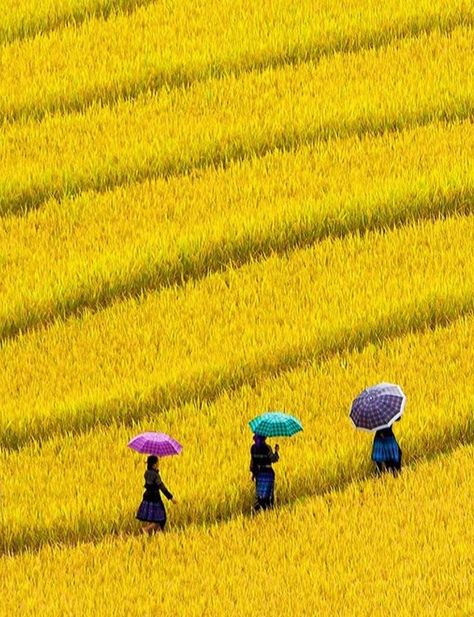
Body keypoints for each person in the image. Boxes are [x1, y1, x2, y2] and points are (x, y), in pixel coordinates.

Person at [136, 455, 177, 534]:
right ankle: (146, 530)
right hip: (155, 498)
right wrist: (171, 497)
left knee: (152, 517)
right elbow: (162, 487)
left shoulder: (147, 473)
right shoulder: (155, 475)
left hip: (147, 497)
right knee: (161, 519)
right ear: (154, 465)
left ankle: (158, 535)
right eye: (157, 463)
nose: (158, 464)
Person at [250, 434, 279, 512]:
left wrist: (253, 473)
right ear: (264, 439)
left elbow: (253, 461)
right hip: (268, 473)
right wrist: (276, 451)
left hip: (259, 473)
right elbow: (273, 459)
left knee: (260, 493)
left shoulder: (253, 448)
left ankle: (258, 509)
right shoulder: (267, 448)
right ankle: (268, 510)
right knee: (269, 494)